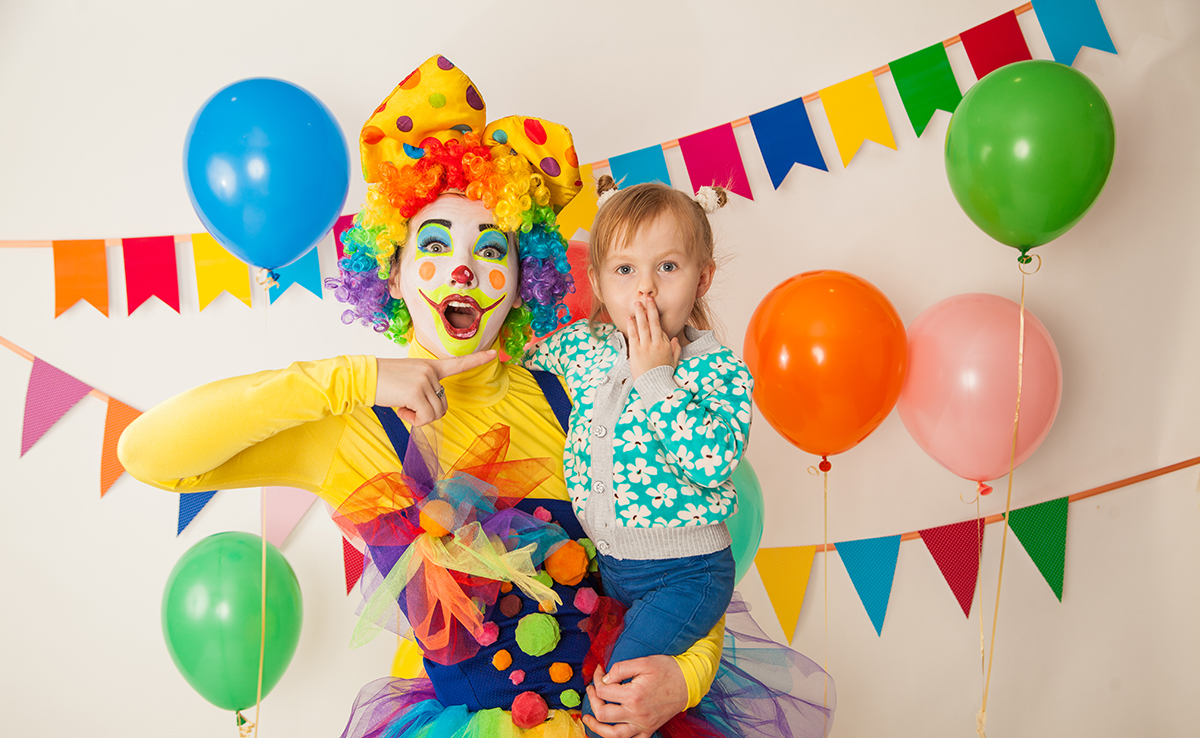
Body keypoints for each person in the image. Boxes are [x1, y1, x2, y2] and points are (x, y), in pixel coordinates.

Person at [118, 55, 725, 738]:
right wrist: (358, 377)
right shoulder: (349, 422)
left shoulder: (576, 392)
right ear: (394, 269)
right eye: (435, 245)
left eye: (492, 250)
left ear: (526, 281)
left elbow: (681, 556)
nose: (464, 268)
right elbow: (148, 453)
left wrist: (687, 675)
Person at [521, 178, 750, 734]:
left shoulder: (715, 369)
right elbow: (520, 356)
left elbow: (713, 462)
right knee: (581, 684)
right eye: (625, 271)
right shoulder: (586, 347)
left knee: (616, 698)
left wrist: (656, 379)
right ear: (598, 281)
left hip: (687, 573)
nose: (644, 290)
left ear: (703, 278)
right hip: (611, 568)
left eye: (667, 268)